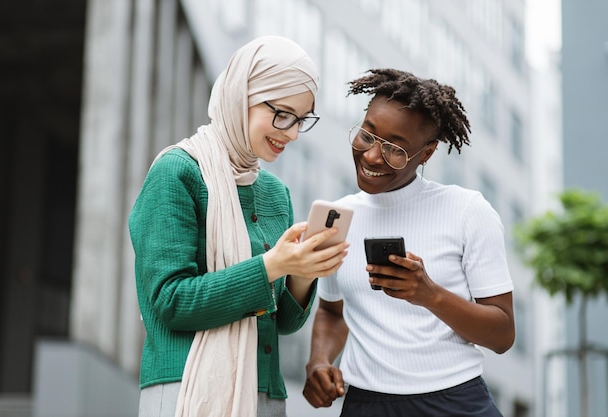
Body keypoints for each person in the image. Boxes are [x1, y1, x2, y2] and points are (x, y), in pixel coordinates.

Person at [129, 36, 349, 417]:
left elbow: (283, 322)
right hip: (186, 388)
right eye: (282, 114)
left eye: (301, 120)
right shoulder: (177, 172)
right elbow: (170, 300)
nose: (292, 133)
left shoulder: (275, 192)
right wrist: (273, 266)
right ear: (242, 95)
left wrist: (301, 273)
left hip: (264, 393)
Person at [302, 68, 515, 417]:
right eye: (367, 136)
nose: (372, 157)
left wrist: (430, 295)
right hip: (365, 405)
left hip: (454, 403)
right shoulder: (337, 217)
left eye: (395, 150)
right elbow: (331, 309)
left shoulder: (467, 210)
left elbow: (503, 334)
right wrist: (319, 361)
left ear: (427, 153)